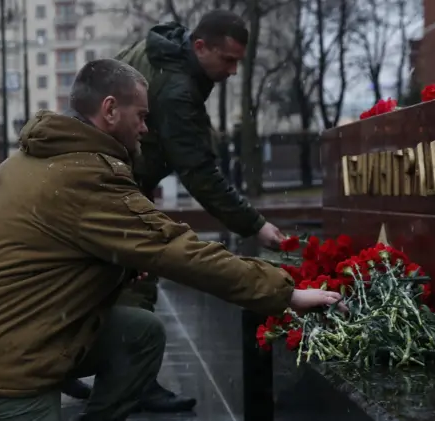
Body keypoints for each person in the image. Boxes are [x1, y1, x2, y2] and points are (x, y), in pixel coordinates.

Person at [0, 59, 343, 421]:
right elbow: (178, 251)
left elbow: (46, 253)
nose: (145, 128)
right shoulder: (86, 174)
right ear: (109, 110)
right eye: (140, 116)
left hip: (6, 335)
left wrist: (118, 269)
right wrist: (285, 294)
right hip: (12, 365)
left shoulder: (23, 162)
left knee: (141, 333)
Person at [61, 10, 289, 410]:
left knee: (93, 274)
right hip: (113, 180)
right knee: (138, 275)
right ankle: (132, 381)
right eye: (228, 60)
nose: (234, 71)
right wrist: (256, 225)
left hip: (99, 172)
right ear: (199, 46)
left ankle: (62, 363)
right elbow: (199, 173)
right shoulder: (178, 87)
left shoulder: (162, 49)